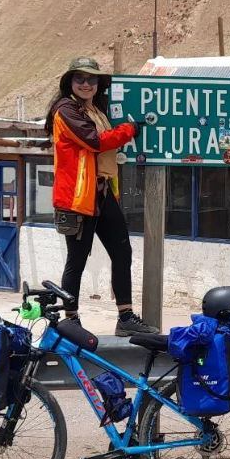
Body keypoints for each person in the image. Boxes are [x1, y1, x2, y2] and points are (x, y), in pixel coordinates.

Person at [45, 56, 159, 336]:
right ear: (70, 82)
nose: (86, 84)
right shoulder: (65, 110)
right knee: (78, 258)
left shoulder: (95, 109)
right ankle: (70, 320)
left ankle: (125, 317)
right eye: (80, 79)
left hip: (103, 191)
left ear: (98, 84)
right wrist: (130, 130)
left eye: (91, 79)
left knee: (122, 251)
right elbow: (94, 141)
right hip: (77, 197)